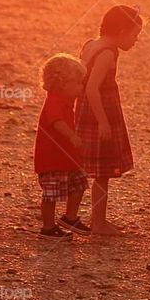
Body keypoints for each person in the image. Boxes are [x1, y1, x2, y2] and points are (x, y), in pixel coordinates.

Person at [76, 5, 143, 236]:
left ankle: (91, 218)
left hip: (86, 112)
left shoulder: (91, 44)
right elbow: (93, 88)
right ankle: (99, 222)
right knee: (103, 172)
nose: (136, 41)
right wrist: (103, 121)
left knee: (92, 168)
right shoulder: (107, 53)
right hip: (99, 112)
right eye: (134, 35)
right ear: (122, 31)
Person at [34, 54, 90, 240]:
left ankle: (70, 217)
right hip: (52, 158)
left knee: (79, 184)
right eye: (78, 83)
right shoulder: (54, 101)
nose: (81, 87)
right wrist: (71, 135)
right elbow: (56, 121)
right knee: (50, 194)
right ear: (62, 84)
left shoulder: (66, 99)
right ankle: (48, 227)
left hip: (67, 157)